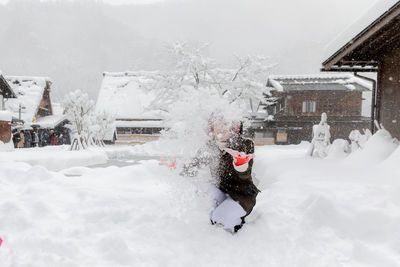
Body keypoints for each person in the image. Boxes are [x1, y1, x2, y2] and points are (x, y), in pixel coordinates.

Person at [182, 115, 260, 232]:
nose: (221, 128)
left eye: (226, 123)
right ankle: (219, 215)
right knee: (202, 189)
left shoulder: (244, 144)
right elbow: (193, 167)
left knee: (218, 219)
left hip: (241, 195)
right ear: (212, 127)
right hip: (222, 192)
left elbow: (245, 174)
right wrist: (176, 167)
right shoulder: (210, 146)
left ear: (234, 127)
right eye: (217, 123)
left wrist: (240, 164)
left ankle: (237, 222)